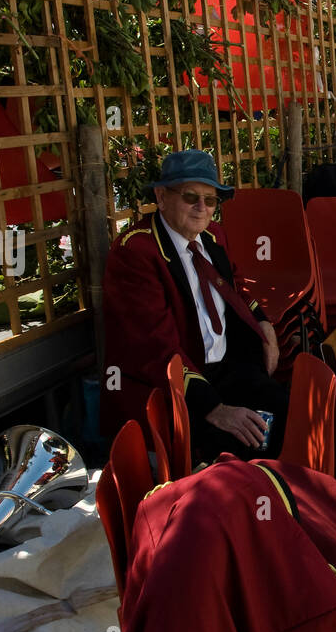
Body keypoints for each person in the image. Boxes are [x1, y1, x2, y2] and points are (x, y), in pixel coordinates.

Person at [101, 149, 287, 459]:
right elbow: (153, 348)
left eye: (211, 200)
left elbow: (237, 286)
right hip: (174, 392)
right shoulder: (135, 251)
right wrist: (214, 409)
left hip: (228, 371)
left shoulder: (213, 236)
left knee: (301, 416)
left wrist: (264, 324)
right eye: (191, 196)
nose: (202, 208)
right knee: (257, 447)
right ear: (161, 196)